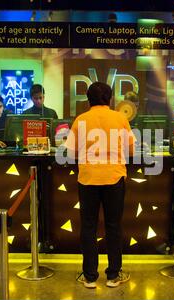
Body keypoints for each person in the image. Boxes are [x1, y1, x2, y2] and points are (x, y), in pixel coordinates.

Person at [64, 82, 135, 289]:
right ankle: (113, 275)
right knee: (114, 226)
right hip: (114, 177)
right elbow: (131, 150)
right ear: (110, 99)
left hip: (87, 179)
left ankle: (89, 276)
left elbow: (70, 152)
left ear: (89, 99)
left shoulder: (81, 120)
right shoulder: (120, 118)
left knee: (88, 226)